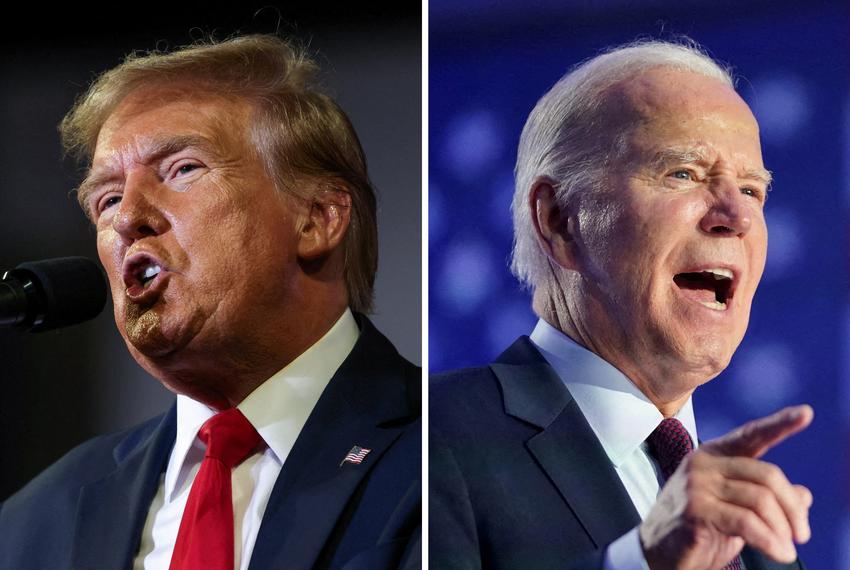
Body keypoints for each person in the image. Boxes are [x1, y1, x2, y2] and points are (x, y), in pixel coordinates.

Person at [0, 35, 420, 570]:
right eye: (106, 199)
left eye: (182, 170)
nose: (128, 218)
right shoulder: (34, 523)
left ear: (317, 219)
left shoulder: (446, 452)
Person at [430, 40, 812, 570]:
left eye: (752, 190)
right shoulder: (428, 439)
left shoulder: (751, 523)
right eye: (684, 173)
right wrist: (641, 561)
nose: (735, 216)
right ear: (560, 219)